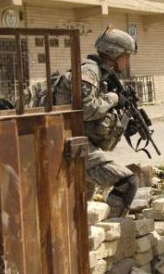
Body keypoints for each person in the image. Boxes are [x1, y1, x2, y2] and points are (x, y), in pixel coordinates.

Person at [54, 27, 139, 218]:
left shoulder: (104, 75)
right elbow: (87, 109)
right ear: (114, 54)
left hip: (80, 142)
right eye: (126, 56)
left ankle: (90, 241)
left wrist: (124, 123)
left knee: (82, 207)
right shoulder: (89, 71)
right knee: (128, 182)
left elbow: (99, 118)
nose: (127, 62)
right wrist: (114, 98)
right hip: (69, 142)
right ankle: (114, 233)